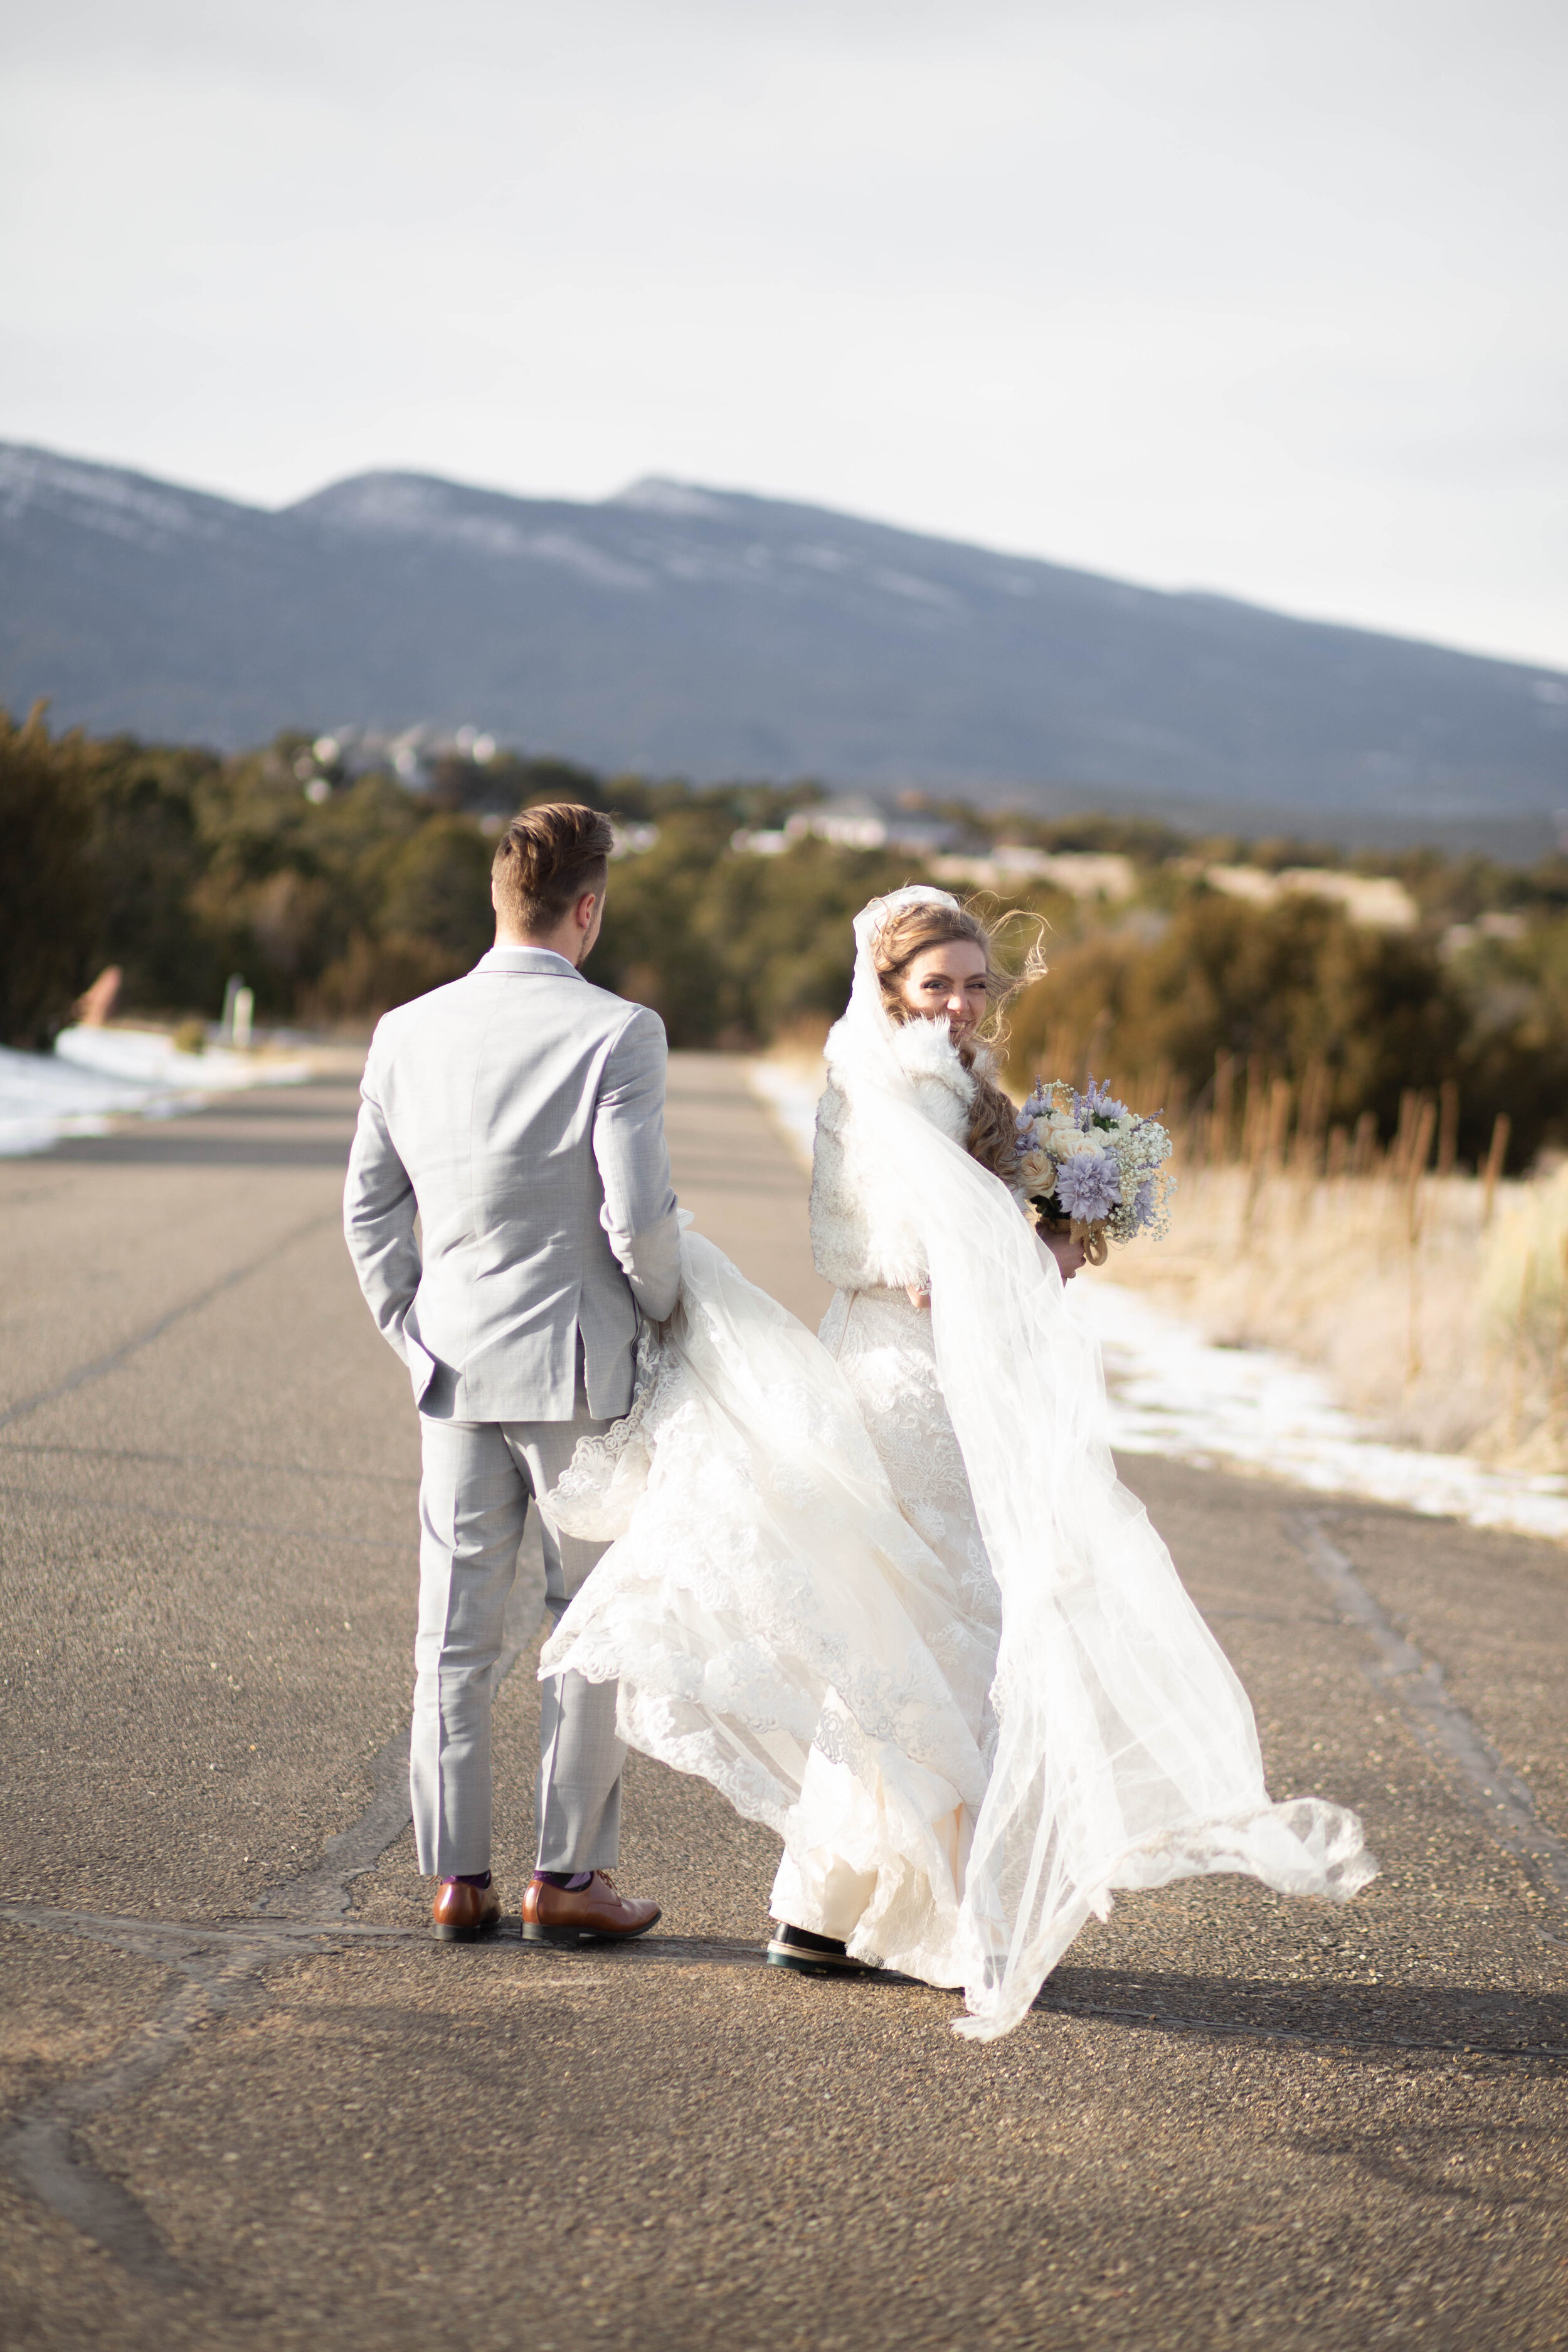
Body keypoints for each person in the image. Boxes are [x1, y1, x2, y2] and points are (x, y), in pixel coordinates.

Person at [543, 885, 1374, 2040]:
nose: (963, 1002)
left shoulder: (915, 1076)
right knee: (956, 1637)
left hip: (906, 1369)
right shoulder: (905, 1086)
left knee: (898, 1638)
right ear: (892, 988)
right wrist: (1045, 1245)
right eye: (938, 983)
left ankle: (821, 1910)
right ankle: (962, 1925)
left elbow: (920, 1247)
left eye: (978, 983)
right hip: (917, 1387)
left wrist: (1048, 1219)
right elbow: (932, 1262)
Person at [343, 802, 679, 1945]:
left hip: (453, 1367)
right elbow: (637, 1223)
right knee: (587, 1624)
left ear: (500, 900)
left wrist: (411, 1331)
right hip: (582, 1376)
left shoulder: (404, 1030)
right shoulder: (619, 1032)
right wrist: (673, 1320)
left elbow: (368, 1211)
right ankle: (568, 1877)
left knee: (453, 1629)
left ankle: (457, 1879)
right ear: (588, 909)